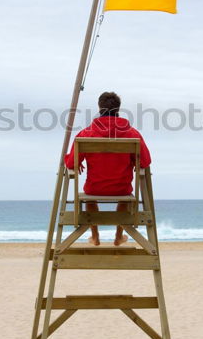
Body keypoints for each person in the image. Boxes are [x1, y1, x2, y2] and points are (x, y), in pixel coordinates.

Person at [64, 92, 151, 246]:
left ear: (99, 107)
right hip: (122, 188)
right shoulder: (132, 134)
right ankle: (118, 236)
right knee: (124, 186)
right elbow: (145, 162)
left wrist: (75, 161)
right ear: (118, 108)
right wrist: (133, 162)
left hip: (94, 188)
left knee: (89, 190)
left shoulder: (86, 133)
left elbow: (70, 164)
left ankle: (95, 235)